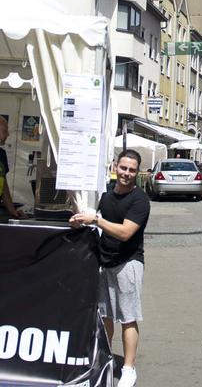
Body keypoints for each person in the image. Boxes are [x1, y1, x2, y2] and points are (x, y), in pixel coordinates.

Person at [70, 149, 150, 387]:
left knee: (128, 317)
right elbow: (94, 222)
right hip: (104, 261)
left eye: (131, 170)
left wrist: (96, 219)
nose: (126, 173)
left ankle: (128, 368)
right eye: (123, 168)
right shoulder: (105, 193)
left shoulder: (140, 200)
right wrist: (79, 220)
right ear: (115, 166)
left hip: (129, 262)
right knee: (105, 315)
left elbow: (125, 233)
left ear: (137, 172)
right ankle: (104, 358)